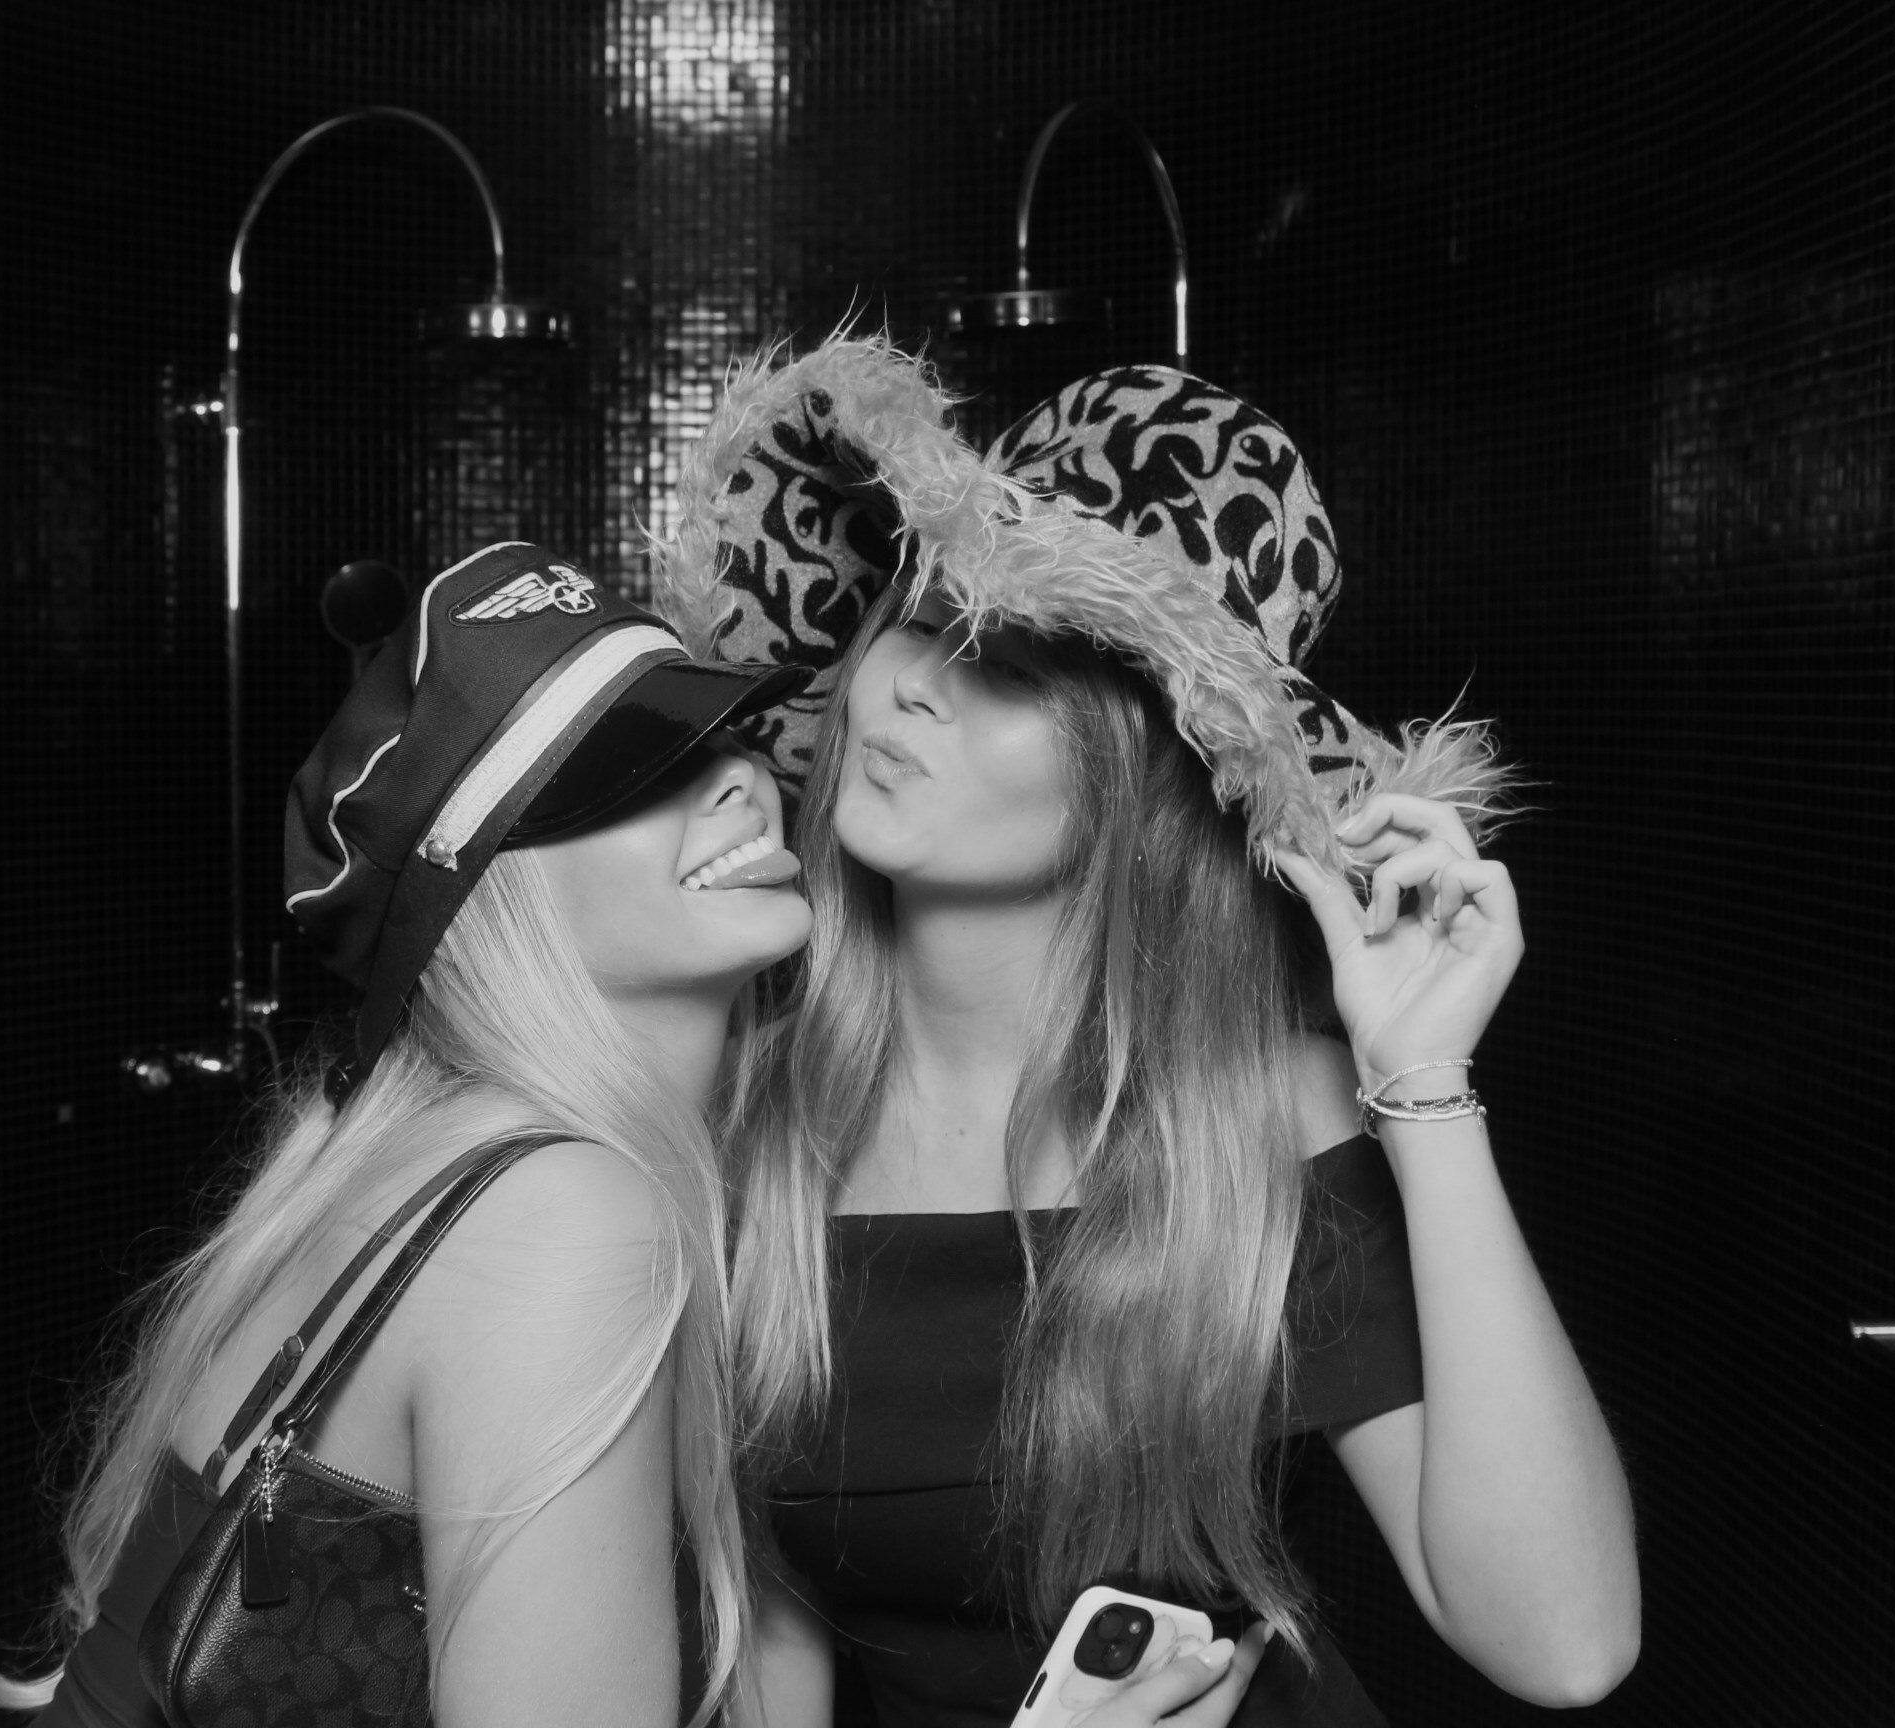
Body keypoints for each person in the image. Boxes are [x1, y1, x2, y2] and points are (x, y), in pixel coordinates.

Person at [653, 342, 1641, 1727]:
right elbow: (765, 1634)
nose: (919, 682)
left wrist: (1425, 1086)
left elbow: (1564, 1642)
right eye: (920, 615)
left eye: (1012, 665)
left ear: (1149, 778)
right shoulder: (743, 1100)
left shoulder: (1264, 1114)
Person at [0, 541, 819, 1728]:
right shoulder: (562, 1217)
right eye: (641, 772)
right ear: (482, 902)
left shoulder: (481, 1167)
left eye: (724, 734)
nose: (741, 778)